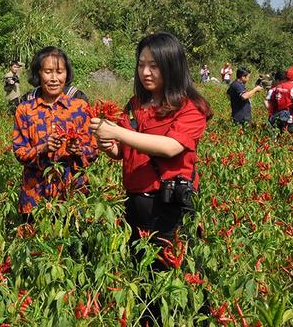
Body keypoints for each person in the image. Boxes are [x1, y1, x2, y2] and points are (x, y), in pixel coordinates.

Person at [90, 32, 212, 269]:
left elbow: (170, 147)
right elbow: (123, 151)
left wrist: (117, 132)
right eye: (141, 65)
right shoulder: (135, 105)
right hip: (135, 202)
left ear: (171, 67)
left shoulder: (190, 107)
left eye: (154, 66)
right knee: (141, 270)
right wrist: (108, 144)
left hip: (168, 204)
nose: (145, 72)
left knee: (173, 271)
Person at [12, 47, 97, 222]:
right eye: (48, 72)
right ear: (38, 74)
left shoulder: (80, 107)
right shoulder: (25, 110)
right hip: (35, 196)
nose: (54, 78)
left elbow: (94, 150)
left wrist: (78, 149)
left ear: (67, 74)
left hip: (73, 194)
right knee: (37, 245)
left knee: (73, 244)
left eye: (59, 72)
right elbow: (19, 152)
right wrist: (43, 148)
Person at [268, 66, 293, 133]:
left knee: (279, 139)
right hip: (292, 120)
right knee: (291, 141)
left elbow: (271, 102)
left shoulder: (277, 87)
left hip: (278, 119)